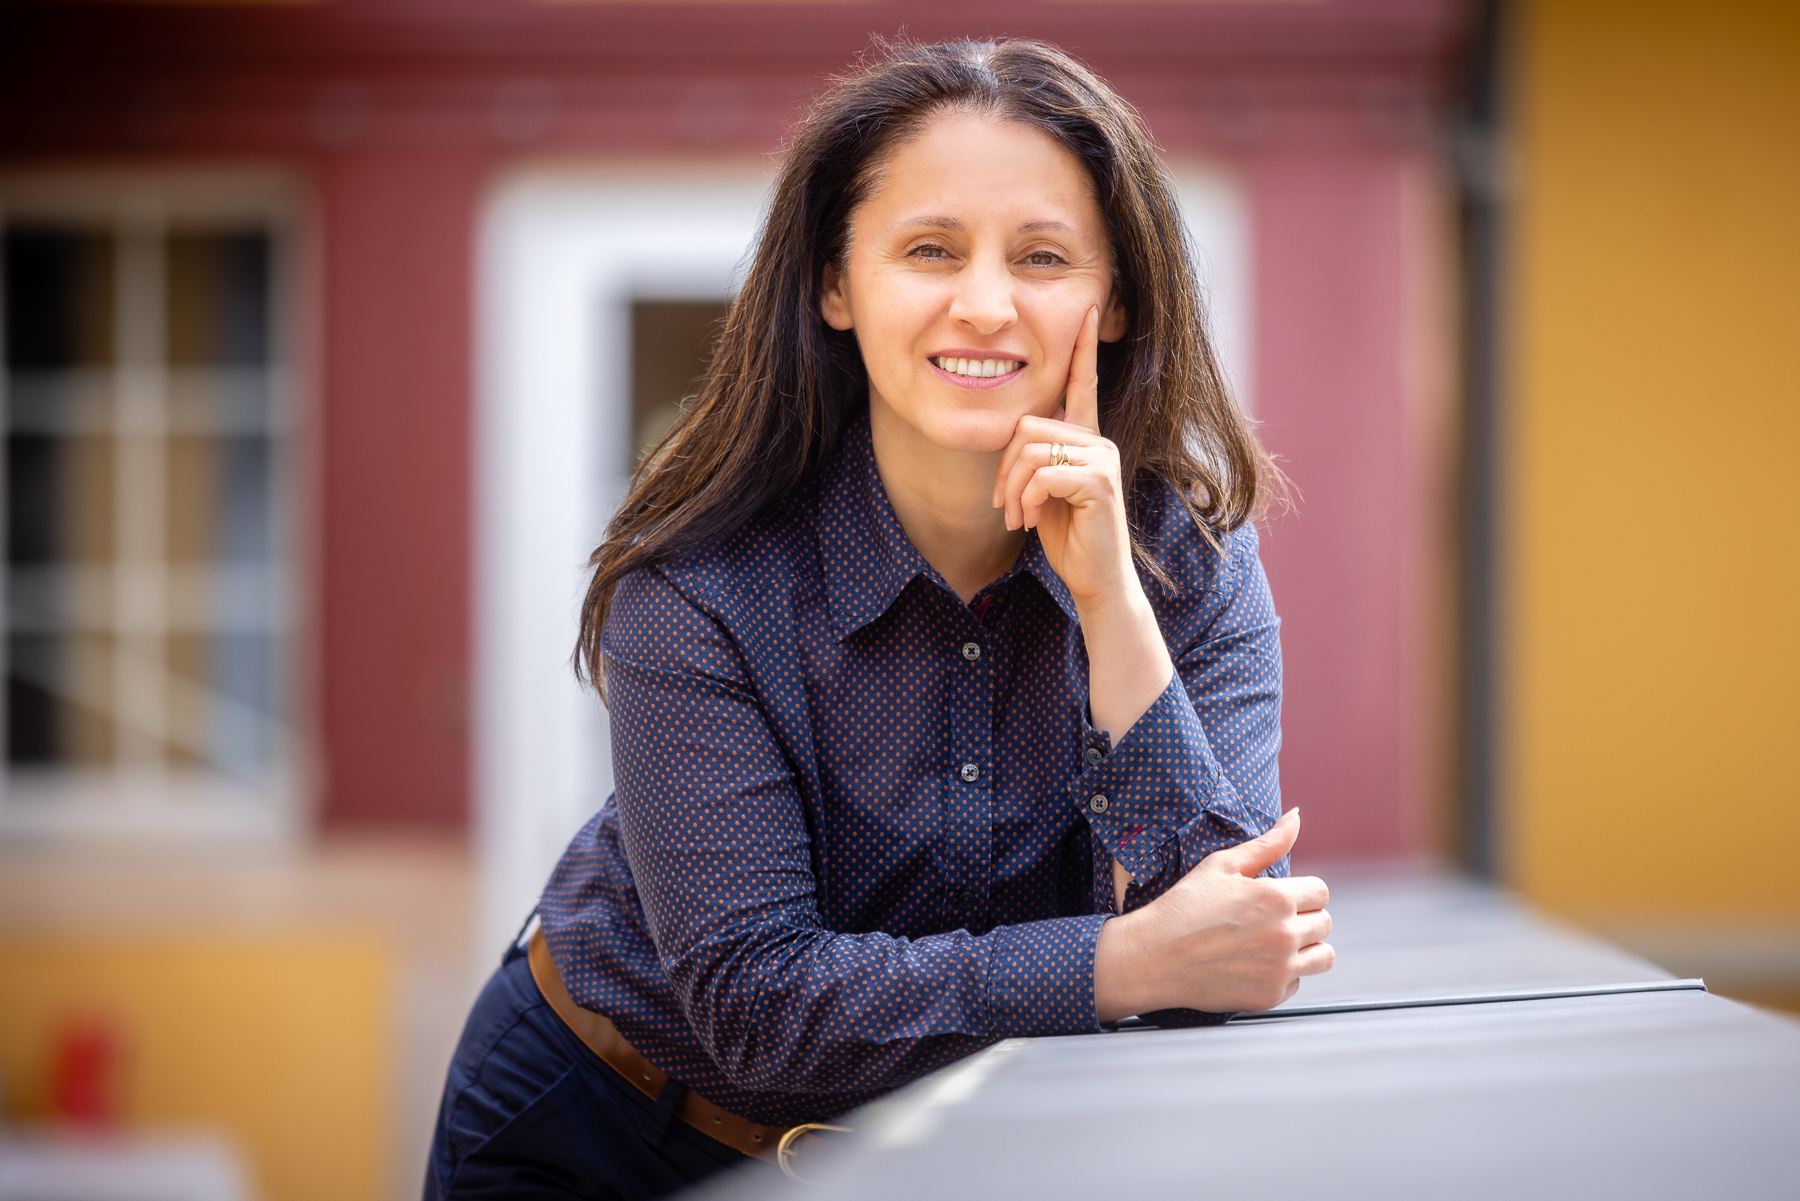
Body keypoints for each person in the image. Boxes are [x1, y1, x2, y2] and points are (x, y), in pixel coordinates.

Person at [425, 36, 1333, 1201]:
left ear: (1115, 304)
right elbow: (756, 1003)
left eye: (1045, 256)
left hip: (951, 1150)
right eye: (930, 250)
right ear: (836, 285)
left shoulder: (1188, 567)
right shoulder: (698, 581)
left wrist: (1112, 607)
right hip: (611, 1130)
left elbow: (1221, 941)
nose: (988, 304)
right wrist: (1109, 963)